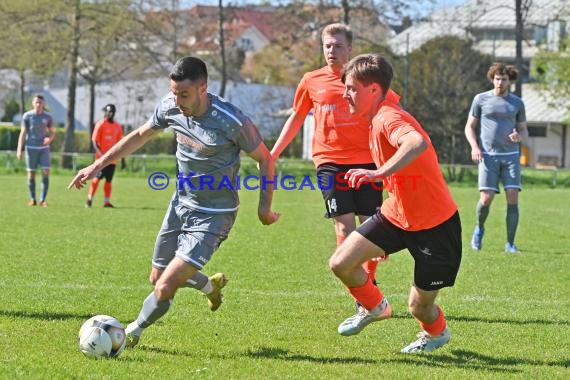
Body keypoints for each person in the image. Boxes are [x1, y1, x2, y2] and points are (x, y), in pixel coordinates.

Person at [68, 56, 280, 348]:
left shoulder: (231, 120)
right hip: (180, 205)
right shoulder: (170, 106)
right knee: (156, 277)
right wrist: (97, 166)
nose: (177, 100)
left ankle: (130, 334)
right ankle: (210, 286)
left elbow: (265, 160)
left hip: (214, 214)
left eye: (184, 94)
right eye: (174, 92)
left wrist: (264, 208)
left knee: (166, 285)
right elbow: (139, 136)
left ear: (203, 87)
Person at [329, 53, 462, 353]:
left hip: (435, 226)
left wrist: (377, 173)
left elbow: (416, 142)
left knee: (418, 308)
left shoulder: (389, 117)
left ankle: (436, 332)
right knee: (341, 263)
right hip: (396, 214)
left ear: (373, 90)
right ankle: (375, 306)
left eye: (351, 88)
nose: (345, 94)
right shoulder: (379, 113)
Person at [271, 23, 396, 294]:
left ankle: (368, 281)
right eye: (327, 45)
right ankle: (360, 290)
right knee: (343, 225)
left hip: (368, 162)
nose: (332, 51)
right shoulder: (311, 80)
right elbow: (297, 116)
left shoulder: (365, 78)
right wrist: (274, 153)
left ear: (349, 49)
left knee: (371, 225)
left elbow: (393, 107)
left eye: (338, 46)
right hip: (329, 161)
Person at [464, 62, 528, 253]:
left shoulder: (517, 103)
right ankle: (479, 229)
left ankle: (510, 243)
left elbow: (524, 129)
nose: (500, 82)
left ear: (510, 81)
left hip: (511, 157)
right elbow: (469, 126)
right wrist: (475, 147)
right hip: (487, 157)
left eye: (504, 79)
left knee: (512, 197)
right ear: (493, 79)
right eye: (497, 78)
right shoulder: (481, 99)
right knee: (486, 198)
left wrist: (520, 136)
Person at [16, 94, 56, 207]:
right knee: (31, 174)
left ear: (44, 104)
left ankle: (43, 200)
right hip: (31, 148)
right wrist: (19, 149)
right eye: (36, 102)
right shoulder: (27, 116)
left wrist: (50, 138)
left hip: (44, 149)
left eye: (40, 102)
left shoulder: (48, 117)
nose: (38, 104)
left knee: (46, 172)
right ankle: (32, 199)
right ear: (33, 103)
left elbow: (53, 131)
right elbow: (23, 133)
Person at [85, 103, 124, 208]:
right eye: (108, 111)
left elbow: (121, 144)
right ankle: (89, 199)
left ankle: (107, 202)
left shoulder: (118, 126)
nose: (110, 113)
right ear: (105, 112)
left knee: (108, 180)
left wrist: (123, 159)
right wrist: (101, 156)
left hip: (113, 160)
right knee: (97, 178)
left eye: (112, 112)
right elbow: (94, 141)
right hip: (100, 160)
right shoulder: (100, 124)